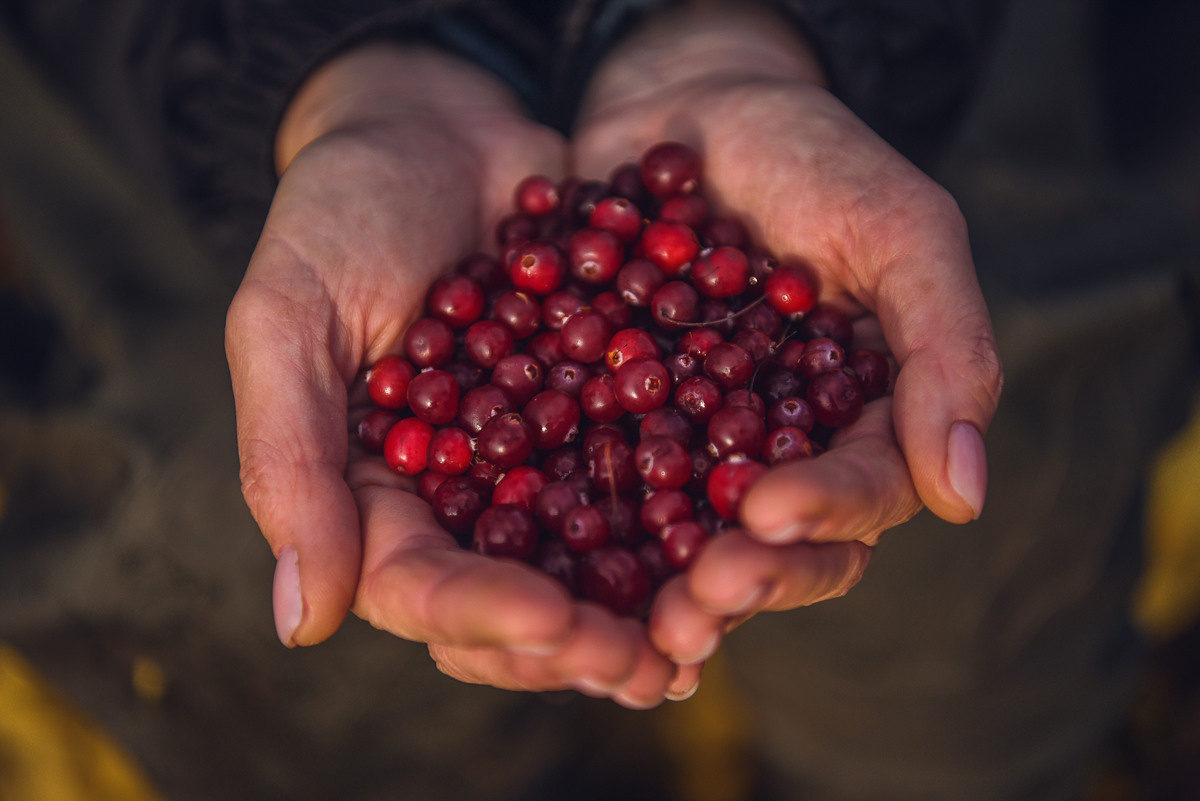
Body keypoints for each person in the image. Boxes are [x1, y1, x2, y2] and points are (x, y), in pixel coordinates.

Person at [6, 0, 1195, 799]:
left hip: (945, 69)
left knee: (964, 662)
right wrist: (341, 61)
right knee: (294, 679)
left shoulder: (660, 339)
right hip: (159, 120)